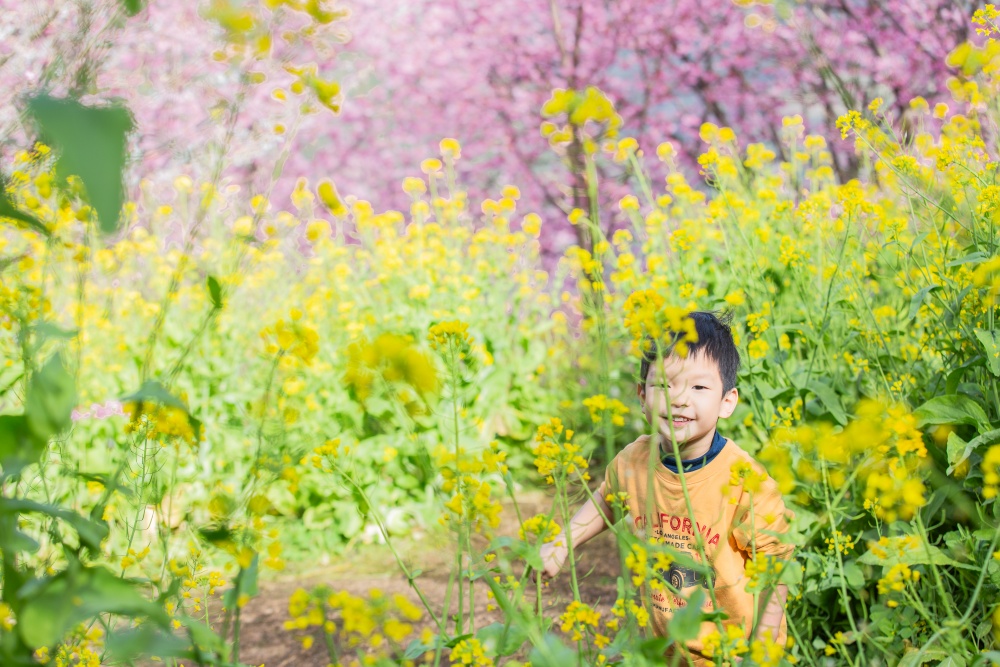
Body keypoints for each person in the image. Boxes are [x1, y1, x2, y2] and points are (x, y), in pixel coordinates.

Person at [539, 311, 794, 663]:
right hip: (662, 647)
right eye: (665, 385)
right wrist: (562, 543)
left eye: (698, 387)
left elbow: (775, 566)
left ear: (727, 402)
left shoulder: (745, 480)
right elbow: (606, 500)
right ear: (642, 395)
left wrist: (762, 652)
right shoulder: (634, 460)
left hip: (729, 651)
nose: (679, 399)